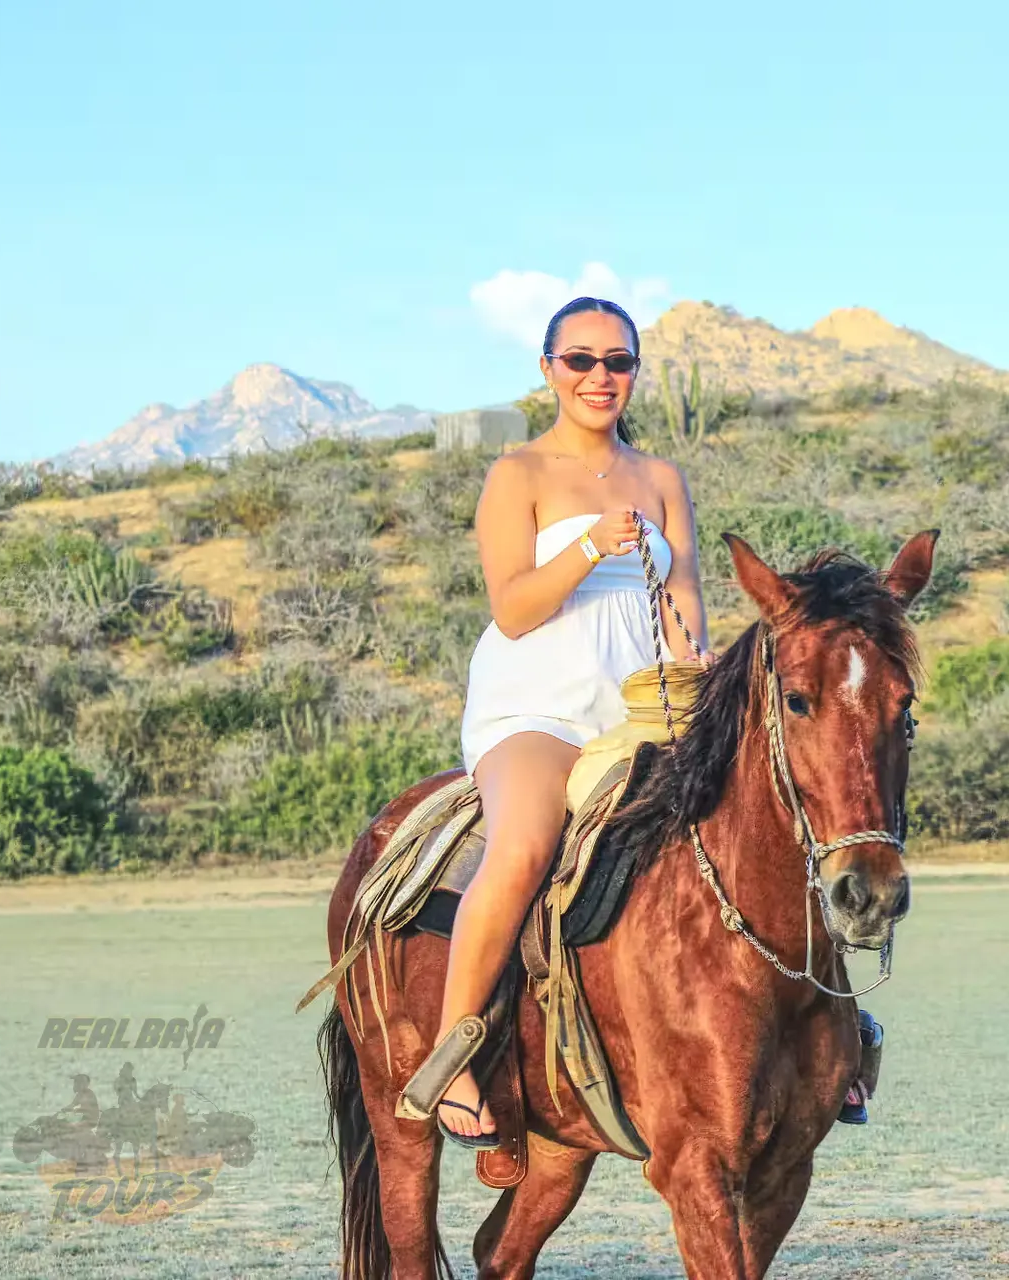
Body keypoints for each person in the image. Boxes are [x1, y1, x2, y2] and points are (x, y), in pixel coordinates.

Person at [428, 297, 712, 1148]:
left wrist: (699, 674)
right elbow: (513, 610)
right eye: (580, 360)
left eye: (618, 362)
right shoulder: (516, 474)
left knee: (768, 824)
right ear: (549, 369)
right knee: (521, 846)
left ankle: (833, 1041)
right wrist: (590, 548)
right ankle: (452, 1053)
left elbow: (688, 601)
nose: (600, 377)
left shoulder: (662, 478)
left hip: (641, 705)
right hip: (540, 703)